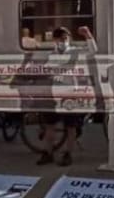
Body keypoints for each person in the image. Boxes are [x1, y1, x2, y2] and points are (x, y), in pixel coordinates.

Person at [36, 26, 98, 167]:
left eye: (65, 38)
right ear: (55, 40)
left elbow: (93, 51)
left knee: (70, 127)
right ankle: (48, 153)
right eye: (60, 39)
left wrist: (88, 35)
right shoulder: (52, 54)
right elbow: (47, 70)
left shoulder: (74, 52)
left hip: (71, 94)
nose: (63, 41)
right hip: (55, 94)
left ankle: (68, 154)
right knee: (50, 126)